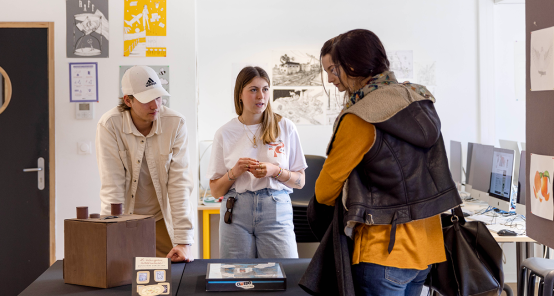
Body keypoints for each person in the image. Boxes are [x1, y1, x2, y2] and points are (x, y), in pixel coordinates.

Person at [308, 29, 462, 296]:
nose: (332, 79)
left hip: (383, 251)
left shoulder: (360, 117)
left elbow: (324, 191)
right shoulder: (419, 100)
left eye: (336, 69)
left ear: (353, 66)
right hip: (427, 249)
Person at [96, 65, 194, 262]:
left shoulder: (175, 123)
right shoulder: (110, 125)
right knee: (122, 280)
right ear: (128, 100)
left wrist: (184, 241)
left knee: (171, 281)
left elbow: (179, 184)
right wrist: (110, 234)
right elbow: (112, 184)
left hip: (162, 219)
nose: (155, 105)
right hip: (126, 218)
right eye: (147, 99)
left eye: (158, 97)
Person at [207, 66, 308, 259]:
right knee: (235, 279)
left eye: (265, 89)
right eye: (253, 90)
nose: (260, 96)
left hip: (276, 208)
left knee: (283, 277)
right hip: (236, 211)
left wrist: (275, 171)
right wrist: (234, 173)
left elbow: (300, 181)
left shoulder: (285, 127)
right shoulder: (224, 133)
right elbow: (215, 191)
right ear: (240, 95)